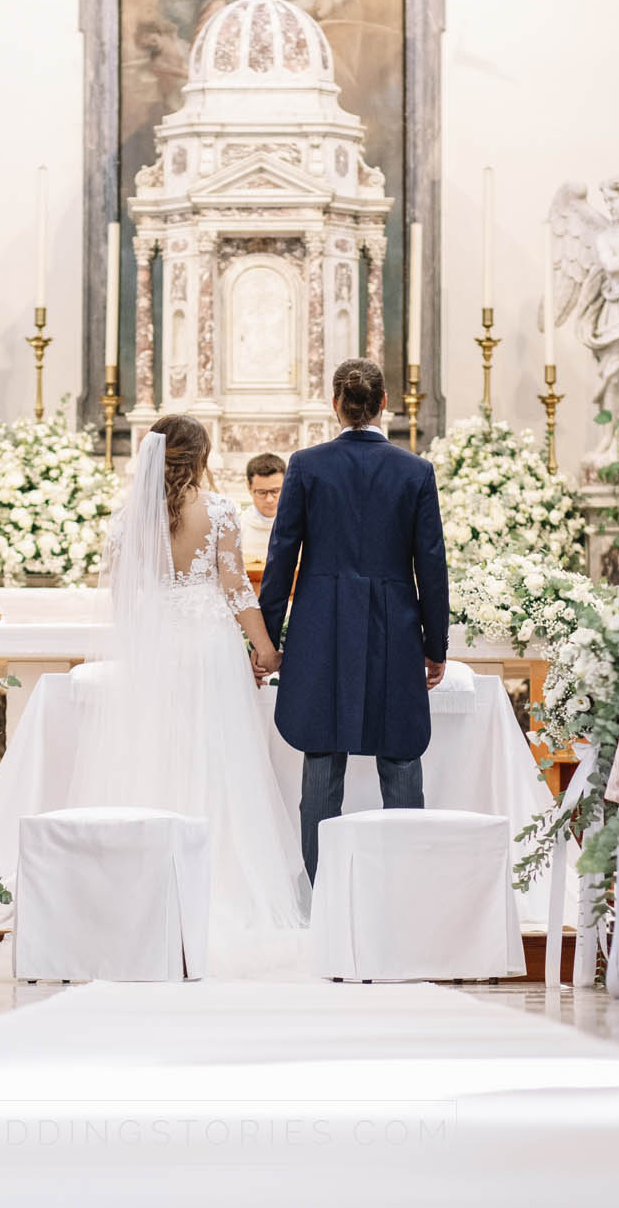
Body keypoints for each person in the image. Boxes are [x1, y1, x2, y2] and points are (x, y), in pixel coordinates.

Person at [0, 415, 310, 976]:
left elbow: (125, 601)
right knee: (215, 759)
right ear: (200, 457)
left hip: (157, 650)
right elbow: (235, 589)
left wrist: (147, 640)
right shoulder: (220, 511)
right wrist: (267, 649)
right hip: (209, 649)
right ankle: (220, 885)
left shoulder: (130, 520)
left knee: (154, 754)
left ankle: (143, 890)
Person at [259, 359, 449, 881]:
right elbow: (431, 565)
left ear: (335, 404)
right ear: (384, 403)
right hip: (394, 626)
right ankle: (404, 885)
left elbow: (282, 557)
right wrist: (435, 644)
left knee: (323, 750)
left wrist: (267, 640)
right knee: (400, 752)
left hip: (322, 625)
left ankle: (323, 892)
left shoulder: (306, 465)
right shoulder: (415, 471)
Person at [238, 452, 284, 570]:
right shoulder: (238, 527)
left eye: (275, 491)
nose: (269, 499)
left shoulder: (300, 525)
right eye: (262, 492)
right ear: (249, 487)